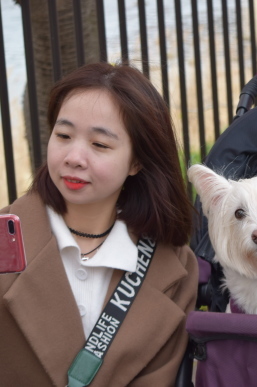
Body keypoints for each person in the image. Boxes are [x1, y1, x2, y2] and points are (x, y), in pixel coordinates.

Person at [0, 62, 199, 386]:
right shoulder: (7, 237)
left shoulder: (173, 265)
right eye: (63, 135)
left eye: (99, 145)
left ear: (137, 161)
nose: (74, 157)